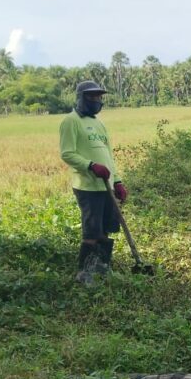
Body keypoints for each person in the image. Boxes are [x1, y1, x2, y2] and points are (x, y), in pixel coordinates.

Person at [60, 81, 127, 285]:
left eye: (99, 97)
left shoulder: (99, 123)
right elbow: (67, 153)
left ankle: (101, 266)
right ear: (81, 98)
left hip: (105, 186)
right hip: (88, 187)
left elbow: (108, 155)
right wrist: (90, 166)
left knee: (106, 228)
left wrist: (117, 181)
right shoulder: (71, 121)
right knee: (92, 231)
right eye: (92, 97)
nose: (97, 100)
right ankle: (84, 273)